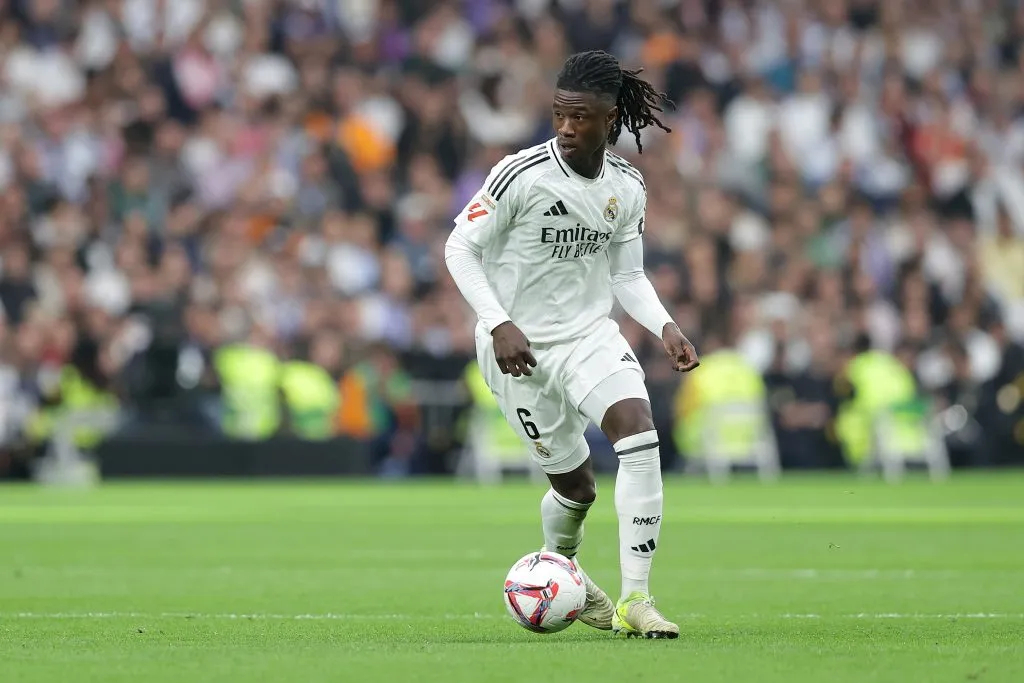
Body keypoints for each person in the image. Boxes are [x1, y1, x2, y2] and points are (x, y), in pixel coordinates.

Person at [445, 50, 699, 639]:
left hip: (588, 336)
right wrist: (497, 321)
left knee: (638, 433)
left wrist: (665, 325)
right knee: (576, 488)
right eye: (559, 113)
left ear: (611, 118)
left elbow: (627, 275)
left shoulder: (627, 185)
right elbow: (459, 247)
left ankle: (636, 600)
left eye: (580, 117)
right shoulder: (520, 173)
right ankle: (566, 571)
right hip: (518, 352)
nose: (566, 126)